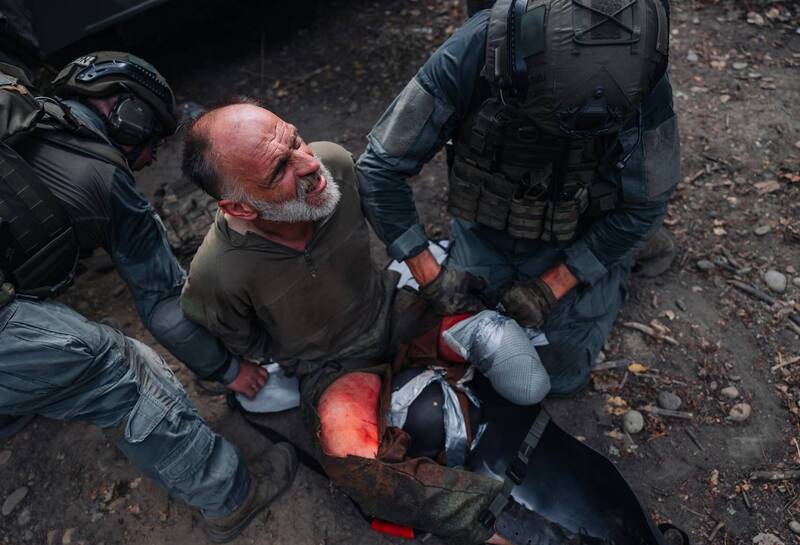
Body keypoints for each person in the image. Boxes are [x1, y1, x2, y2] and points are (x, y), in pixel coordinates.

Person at [180, 101, 614, 545]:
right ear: (241, 207)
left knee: (525, 378)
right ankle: (499, 529)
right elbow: (232, 334)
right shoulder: (217, 272)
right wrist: (234, 371)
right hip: (333, 365)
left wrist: (432, 277)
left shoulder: (334, 165)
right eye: (280, 169)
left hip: (395, 311)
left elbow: (389, 209)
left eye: (295, 140)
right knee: (357, 462)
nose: (308, 163)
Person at [0, 52, 296, 543]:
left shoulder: (12, 99)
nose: (150, 159)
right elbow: (164, 306)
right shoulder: (104, 177)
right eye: (154, 141)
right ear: (130, 116)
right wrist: (228, 370)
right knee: (114, 367)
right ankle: (230, 496)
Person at [356, 0, 680, 395]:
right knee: (477, 344)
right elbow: (379, 168)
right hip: (489, 224)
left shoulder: (641, 64)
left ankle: (628, 254)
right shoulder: (476, 47)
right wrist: (432, 278)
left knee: (559, 376)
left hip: (576, 230)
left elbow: (647, 202)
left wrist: (556, 283)